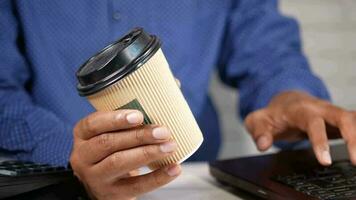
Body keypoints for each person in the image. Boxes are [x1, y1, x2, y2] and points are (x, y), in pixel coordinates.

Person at [1, 0, 355, 199]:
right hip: (54, 186)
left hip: (188, 184)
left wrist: (289, 95)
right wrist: (68, 153)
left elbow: (267, 49)